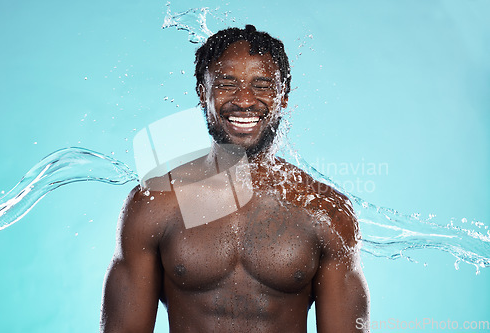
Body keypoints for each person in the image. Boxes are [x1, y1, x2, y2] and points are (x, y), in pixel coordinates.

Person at [101, 25, 369, 332]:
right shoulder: (154, 204)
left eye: (263, 85)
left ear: (283, 96)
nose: (244, 100)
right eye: (227, 84)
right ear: (203, 92)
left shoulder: (324, 211)